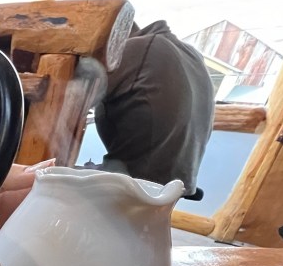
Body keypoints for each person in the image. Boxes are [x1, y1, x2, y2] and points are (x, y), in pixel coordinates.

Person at [91, 20, 214, 199]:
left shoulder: (137, 49)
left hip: (137, 184)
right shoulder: (192, 54)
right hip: (177, 185)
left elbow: (70, 100)